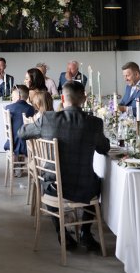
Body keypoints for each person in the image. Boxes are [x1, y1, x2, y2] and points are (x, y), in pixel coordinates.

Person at [18, 81, 110, 252]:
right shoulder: (94, 123)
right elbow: (104, 148)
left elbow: (22, 133)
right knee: (98, 181)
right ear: (84, 99)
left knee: (48, 178)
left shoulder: (48, 119)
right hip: (85, 188)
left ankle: (62, 233)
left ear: (62, 98)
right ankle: (85, 232)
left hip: (54, 187)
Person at [4, 84, 34, 156]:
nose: (11, 97)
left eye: (13, 95)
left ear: (18, 96)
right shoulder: (30, 109)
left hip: (11, 143)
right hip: (24, 145)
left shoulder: (8, 107)